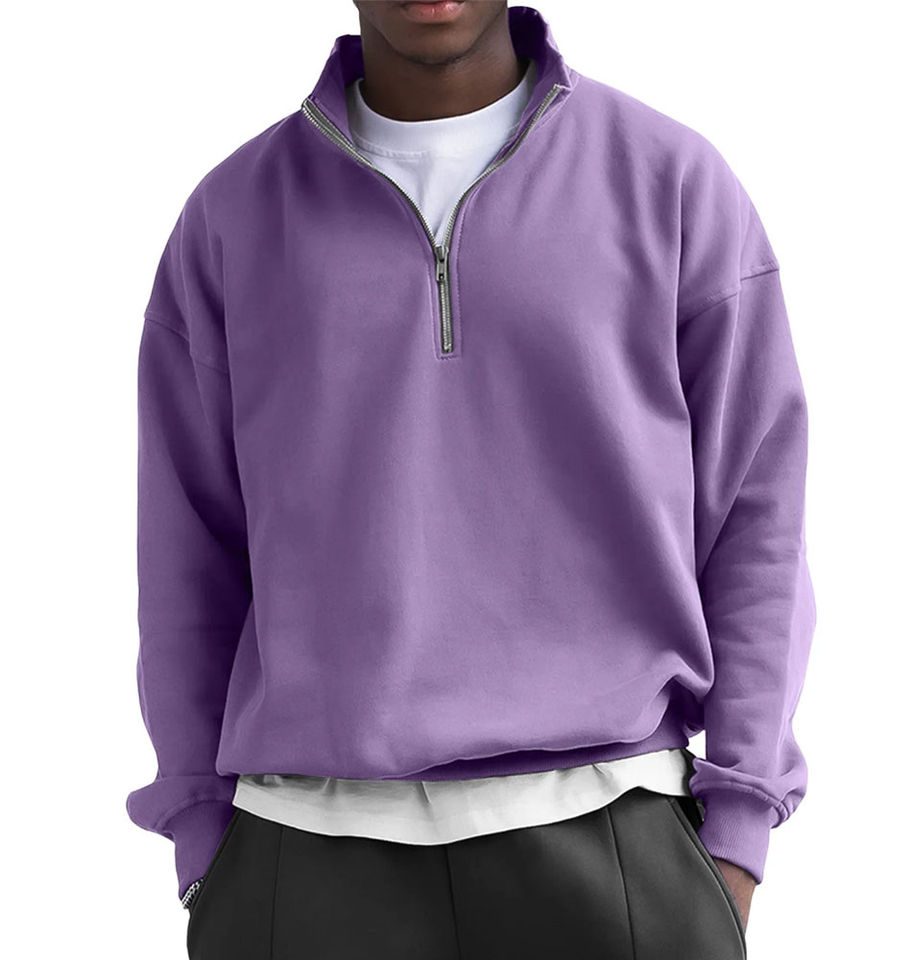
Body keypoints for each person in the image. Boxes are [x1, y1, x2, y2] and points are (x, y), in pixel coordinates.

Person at [125, 3, 816, 957]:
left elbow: (755, 514)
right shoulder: (232, 217)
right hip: (301, 852)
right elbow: (186, 546)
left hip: (616, 838)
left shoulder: (671, 181)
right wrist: (202, 833)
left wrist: (738, 824)